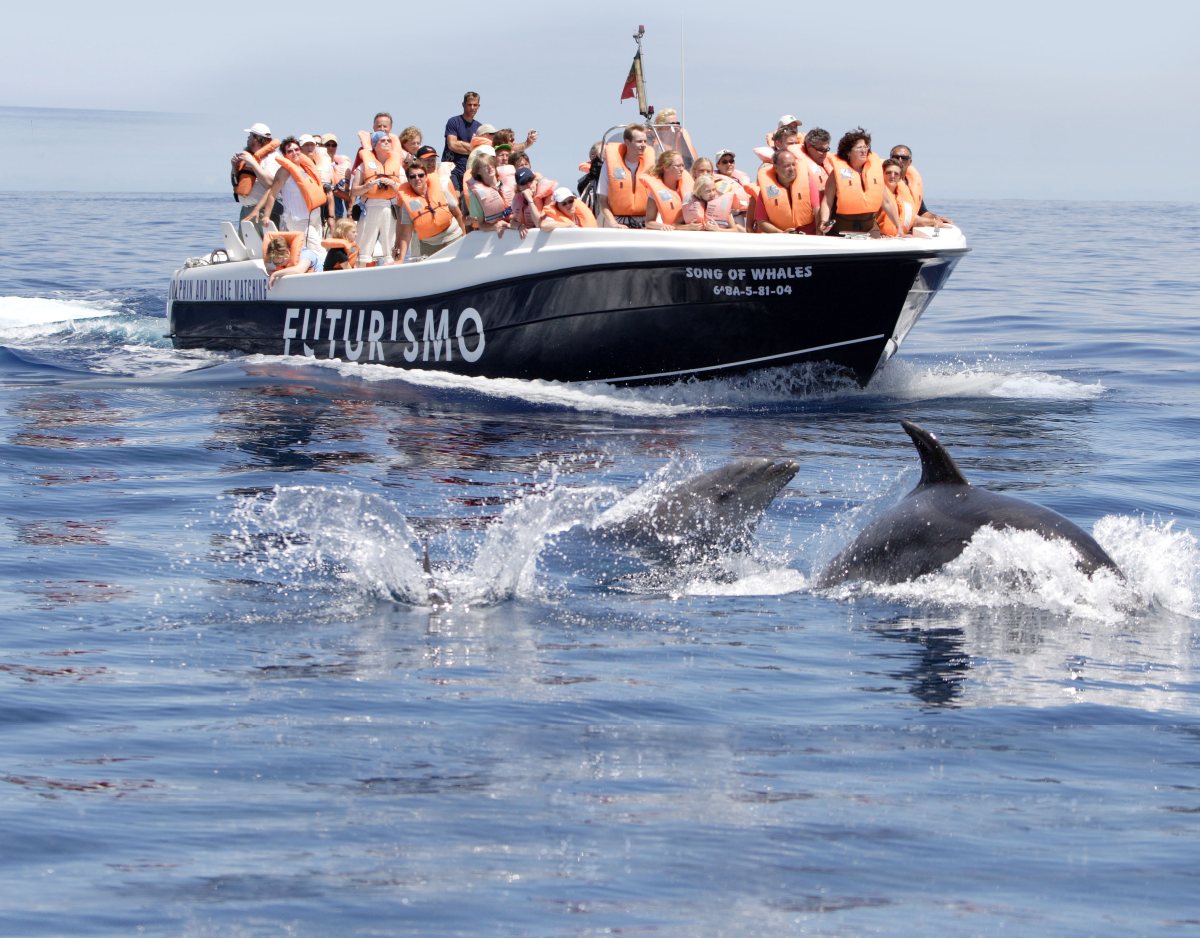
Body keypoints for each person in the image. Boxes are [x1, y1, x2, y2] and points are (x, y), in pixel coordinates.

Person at [245, 137, 326, 255]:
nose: (294, 153)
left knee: (312, 250)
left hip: (314, 218)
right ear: (285, 155)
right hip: (298, 220)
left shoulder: (305, 167)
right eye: (290, 151)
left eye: (296, 149)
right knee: (320, 252)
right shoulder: (284, 171)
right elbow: (272, 193)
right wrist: (266, 215)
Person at [818, 127, 902, 236]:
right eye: (859, 148)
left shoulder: (875, 172)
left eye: (865, 147)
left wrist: (898, 227)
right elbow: (827, 202)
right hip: (842, 228)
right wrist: (824, 221)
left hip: (869, 227)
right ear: (848, 152)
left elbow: (887, 202)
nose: (864, 150)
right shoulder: (836, 174)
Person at [393, 161, 465, 262]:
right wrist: (400, 260)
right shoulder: (406, 205)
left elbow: (457, 214)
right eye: (412, 177)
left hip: (453, 237)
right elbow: (405, 235)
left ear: (426, 177)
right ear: (408, 180)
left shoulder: (441, 189)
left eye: (421, 175)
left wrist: (465, 236)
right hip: (429, 245)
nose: (417, 179)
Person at [350, 131, 402, 265]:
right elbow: (353, 191)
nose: (386, 143)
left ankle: (390, 269)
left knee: (390, 245)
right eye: (382, 141)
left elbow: (404, 188)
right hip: (369, 207)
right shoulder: (362, 166)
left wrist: (392, 183)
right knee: (364, 245)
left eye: (388, 140)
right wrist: (367, 186)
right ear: (374, 145)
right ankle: (361, 269)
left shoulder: (397, 166)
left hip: (389, 206)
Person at [596, 124, 654, 228]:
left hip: (645, 223)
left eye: (645, 141)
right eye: (639, 141)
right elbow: (602, 200)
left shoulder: (652, 167)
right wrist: (614, 224)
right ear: (627, 142)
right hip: (615, 222)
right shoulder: (608, 166)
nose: (643, 145)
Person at [753, 149, 820, 235]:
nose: (792, 169)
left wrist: (819, 232)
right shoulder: (766, 190)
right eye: (787, 166)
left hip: (808, 235)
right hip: (781, 237)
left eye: (793, 164)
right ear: (776, 168)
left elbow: (817, 209)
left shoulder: (808, 183)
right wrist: (782, 233)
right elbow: (761, 221)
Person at [889, 145, 953, 226]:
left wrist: (936, 218)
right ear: (890, 159)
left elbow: (922, 212)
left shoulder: (911, 184)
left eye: (904, 158)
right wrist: (931, 222)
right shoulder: (886, 182)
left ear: (910, 162)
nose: (899, 160)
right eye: (896, 157)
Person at [231, 122, 280, 222]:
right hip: (245, 209)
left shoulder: (272, 158)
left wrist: (253, 164)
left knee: (265, 238)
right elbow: (234, 183)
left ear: (257, 138)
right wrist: (233, 167)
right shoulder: (249, 157)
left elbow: (271, 185)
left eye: (250, 136)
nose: (248, 139)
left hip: (262, 211)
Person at [443, 91, 482, 202]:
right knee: (454, 201)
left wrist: (463, 144)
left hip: (469, 172)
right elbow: (452, 145)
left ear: (479, 106)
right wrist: (473, 148)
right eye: (469, 104)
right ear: (463, 104)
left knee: (468, 205)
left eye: (475, 105)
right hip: (452, 169)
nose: (472, 107)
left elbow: (481, 150)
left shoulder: (479, 127)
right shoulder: (454, 122)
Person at [644, 150, 697, 231]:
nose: (682, 169)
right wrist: (661, 226)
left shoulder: (689, 187)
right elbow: (649, 222)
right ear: (666, 167)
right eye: (678, 166)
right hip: (672, 234)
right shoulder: (655, 193)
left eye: (683, 165)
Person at [465, 153, 514, 237]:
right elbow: (481, 224)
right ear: (478, 172)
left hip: (517, 228)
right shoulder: (475, 195)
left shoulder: (509, 182)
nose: (490, 167)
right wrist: (494, 226)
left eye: (491, 164)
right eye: (485, 166)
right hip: (498, 235)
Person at [323, 133, 353, 219]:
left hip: (337, 214)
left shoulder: (342, 167)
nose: (330, 148)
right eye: (327, 145)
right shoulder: (315, 166)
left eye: (333, 145)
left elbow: (348, 197)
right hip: (320, 215)